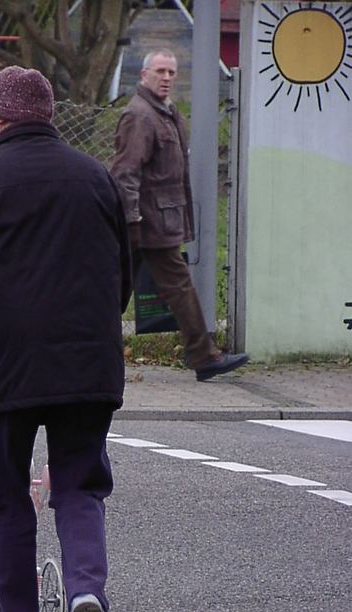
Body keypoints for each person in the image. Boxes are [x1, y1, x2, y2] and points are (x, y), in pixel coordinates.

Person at [0, 65, 132, 612]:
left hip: (8, 369)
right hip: (88, 366)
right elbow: (122, 279)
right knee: (79, 486)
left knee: (6, 499)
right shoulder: (95, 177)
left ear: (3, 118)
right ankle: (84, 595)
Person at [110, 48, 249, 381]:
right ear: (144, 75)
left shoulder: (164, 113)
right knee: (166, 288)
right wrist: (131, 220)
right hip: (146, 224)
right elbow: (125, 173)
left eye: (171, 72)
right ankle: (203, 356)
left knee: (114, 289)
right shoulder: (141, 115)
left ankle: (201, 355)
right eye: (160, 71)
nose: (167, 78)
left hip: (155, 223)